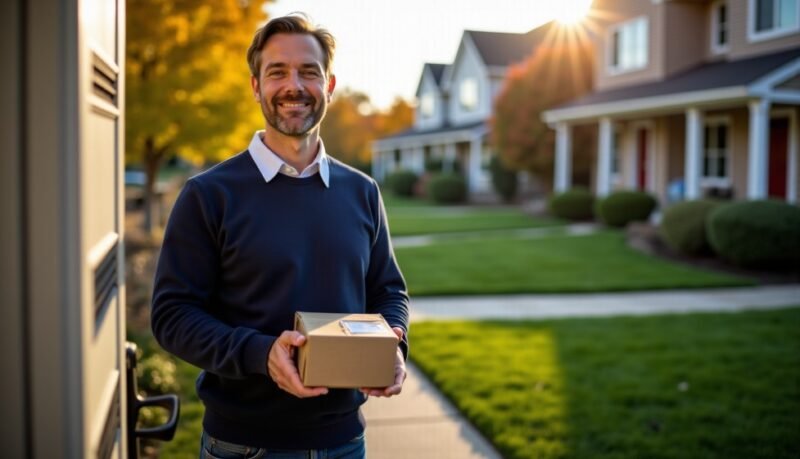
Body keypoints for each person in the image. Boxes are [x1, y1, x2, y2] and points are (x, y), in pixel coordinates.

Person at [150, 13, 409, 459]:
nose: (294, 86)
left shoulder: (362, 191)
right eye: (277, 72)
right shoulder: (209, 194)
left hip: (345, 442)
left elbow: (388, 291)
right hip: (244, 444)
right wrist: (260, 353)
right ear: (255, 86)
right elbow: (172, 316)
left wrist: (394, 343)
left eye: (309, 72)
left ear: (328, 86)